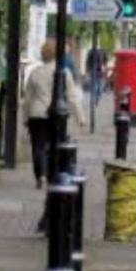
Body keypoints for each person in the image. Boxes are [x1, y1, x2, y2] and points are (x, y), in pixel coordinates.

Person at [23, 39, 86, 191]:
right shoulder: (64, 73)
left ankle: (40, 176)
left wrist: (25, 118)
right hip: (55, 115)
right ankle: (51, 174)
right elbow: (72, 97)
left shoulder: (35, 72)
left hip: (36, 114)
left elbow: (28, 98)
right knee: (52, 146)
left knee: (37, 147)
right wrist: (81, 118)